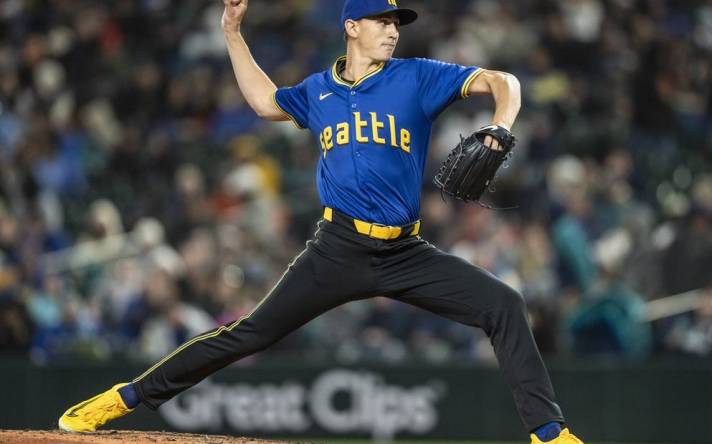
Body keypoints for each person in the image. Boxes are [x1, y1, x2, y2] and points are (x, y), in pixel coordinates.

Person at [58, 1, 583, 443]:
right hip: (337, 247)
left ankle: (549, 434)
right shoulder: (318, 91)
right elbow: (265, 103)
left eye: (397, 23)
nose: (393, 31)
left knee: (504, 304)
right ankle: (124, 397)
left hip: (405, 251)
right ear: (351, 26)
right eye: (382, 20)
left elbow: (502, 79)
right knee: (249, 333)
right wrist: (232, 33)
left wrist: (499, 128)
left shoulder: (416, 76)